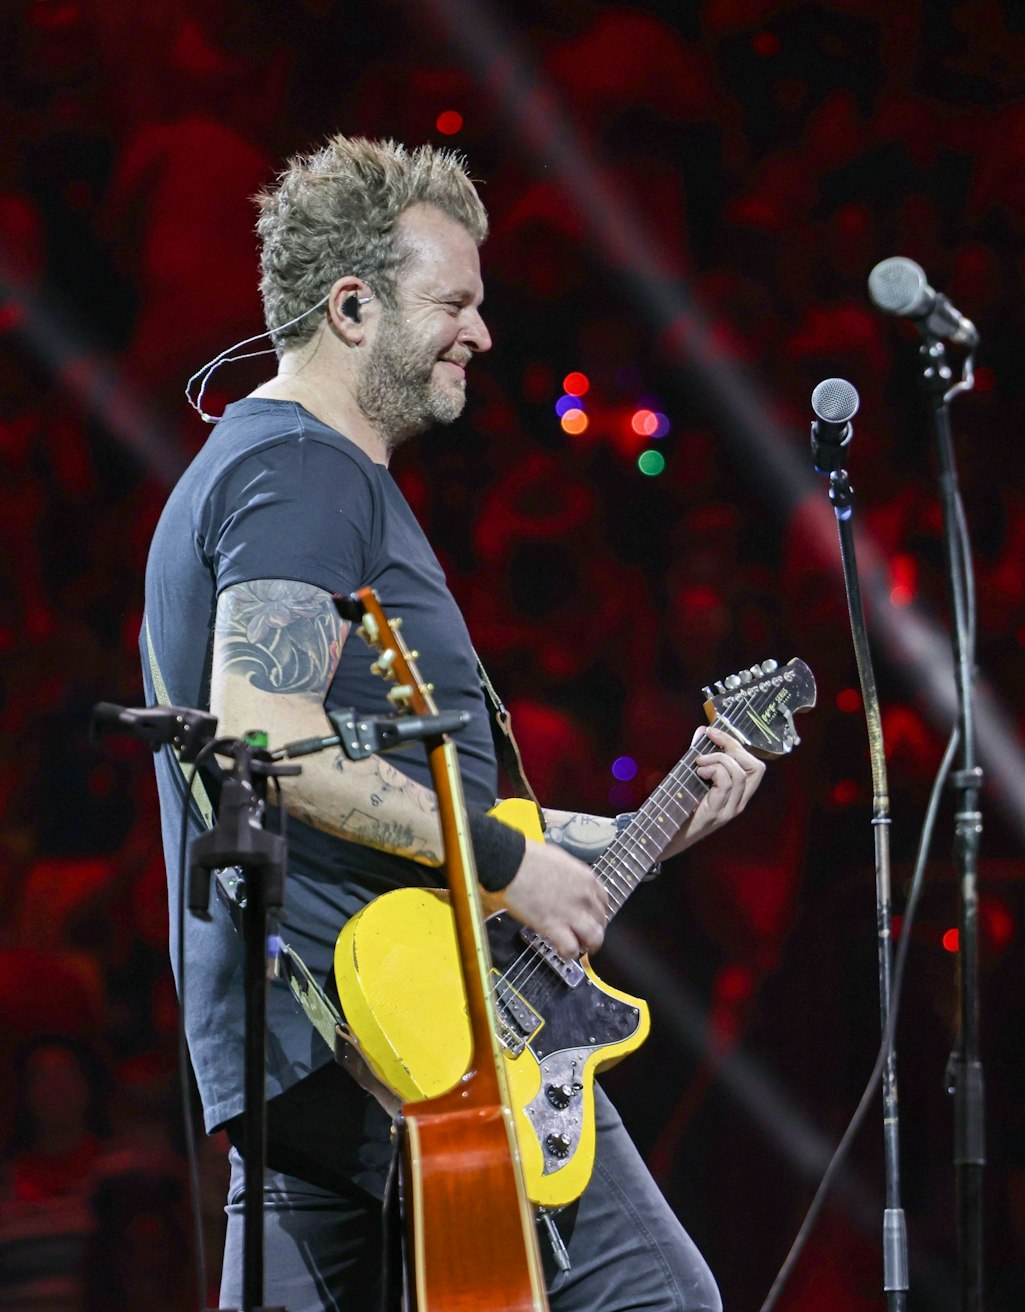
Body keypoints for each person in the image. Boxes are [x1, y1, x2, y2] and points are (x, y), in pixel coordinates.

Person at [143, 136, 766, 1312]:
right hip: (399, 1033)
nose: (481, 332)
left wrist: (642, 823)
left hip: (326, 1040)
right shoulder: (302, 471)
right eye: (456, 302)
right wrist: (505, 860)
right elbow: (262, 738)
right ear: (353, 306)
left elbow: (413, 801)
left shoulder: (268, 467)